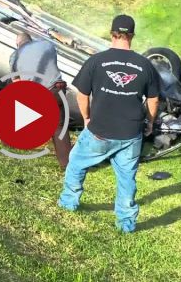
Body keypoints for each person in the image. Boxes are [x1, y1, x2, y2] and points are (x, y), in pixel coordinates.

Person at [57, 15, 159, 233]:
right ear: (131, 36)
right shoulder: (145, 65)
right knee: (126, 178)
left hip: (100, 130)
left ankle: (69, 203)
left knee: (76, 162)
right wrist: (149, 122)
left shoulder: (97, 61)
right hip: (131, 133)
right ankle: (126, 223)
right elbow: (153, 99)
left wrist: (86, 118)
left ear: (112, 33)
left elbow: (81, 94)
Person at [9, 32, 72, 169]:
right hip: (57, 88)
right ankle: (66, 164)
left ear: (18, 44)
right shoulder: (46, 45)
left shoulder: (15, 56)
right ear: (31, 40)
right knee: (59, 128)